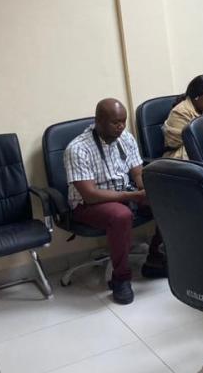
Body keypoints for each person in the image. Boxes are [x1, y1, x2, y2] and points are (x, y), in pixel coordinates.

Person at [65, 99, 166, 305]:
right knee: (121, 215)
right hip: (88, 205)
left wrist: (145, 190)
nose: (121, 127)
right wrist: (131, 197)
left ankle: (155, 258)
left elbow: (137, 172)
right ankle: (120, 279)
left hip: (124, 193)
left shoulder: (125, 138)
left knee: (166, 200)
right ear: (98, 121)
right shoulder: (77, 149)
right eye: (115, 123)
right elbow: (90, 194)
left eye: (123, 122)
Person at [162, 75, 203, 160]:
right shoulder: (180, 112)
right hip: (179, 156)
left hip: (202, 149)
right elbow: (187, 141)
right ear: (197, 96)